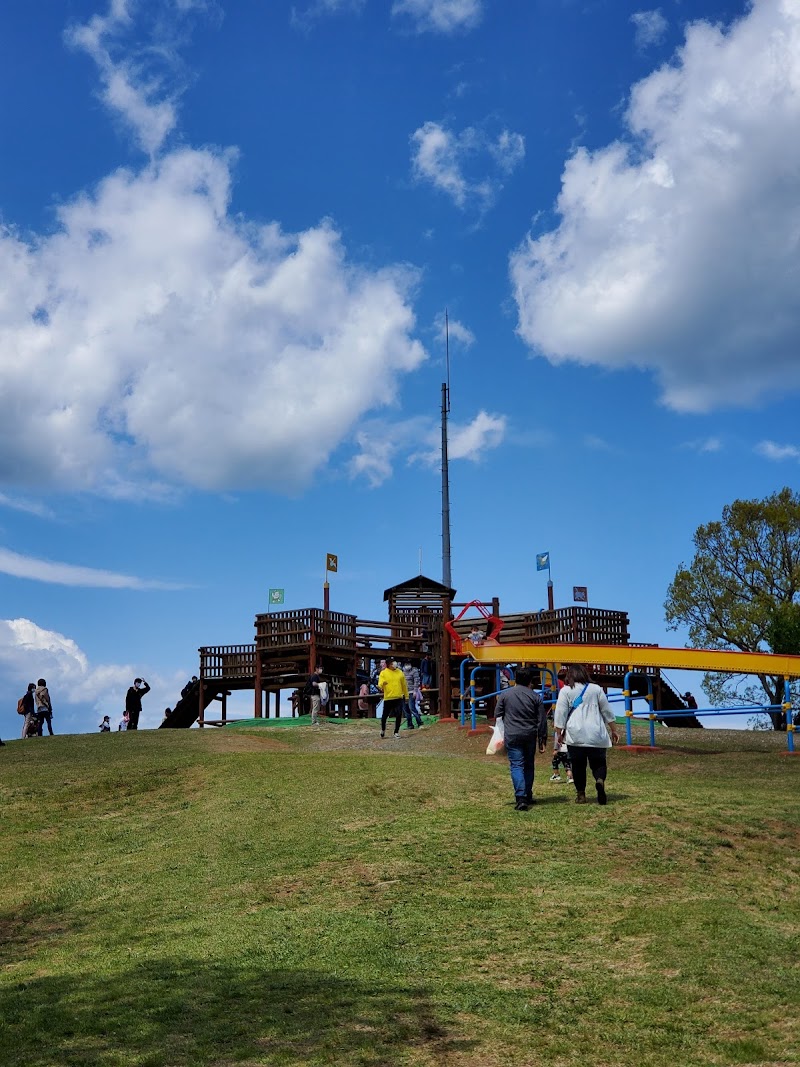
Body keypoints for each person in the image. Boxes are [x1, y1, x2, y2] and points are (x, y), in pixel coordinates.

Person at [554, 664, 619, 805]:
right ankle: (599, 780)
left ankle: (581, 795)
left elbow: (560, 713)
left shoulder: (566, 691)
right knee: (599, 762)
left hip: (575, 735)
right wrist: (613, 729)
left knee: (578, 765)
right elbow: (607, 711)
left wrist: (559, 732)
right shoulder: (596, 689)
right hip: (596, 733)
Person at [494, 667, 548, 810]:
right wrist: (542, 739)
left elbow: (497, 713)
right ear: (530, 681)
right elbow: (541, 720)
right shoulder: (535, 697)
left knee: (516, 765)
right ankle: (528, 795)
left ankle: (521, 797)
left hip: (512, 735)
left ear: (515, 679)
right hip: (530, 735)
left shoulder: (505, 695)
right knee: (529, 765)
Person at [377, 656, 408, 738]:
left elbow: (404, 685)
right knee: (384, 716)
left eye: (394, 662)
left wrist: (406, 696)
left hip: (398, 697)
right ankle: (383, 730)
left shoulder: (400, 672)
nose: (394, 664)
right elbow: (380, 683)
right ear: (388, 665)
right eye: (391, 663)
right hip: (388, 698)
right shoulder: (383, 673)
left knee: (398, 715)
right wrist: (381, 685)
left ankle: (396, 732)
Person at [402, 662, 423, 729]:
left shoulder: (414, 671)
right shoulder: (401, 672)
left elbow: (416, 681)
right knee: (406, 709)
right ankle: (410, 724)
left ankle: (419, 722)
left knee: (412, 708)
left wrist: (415, 691)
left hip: (411, 692)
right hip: (403, 693)